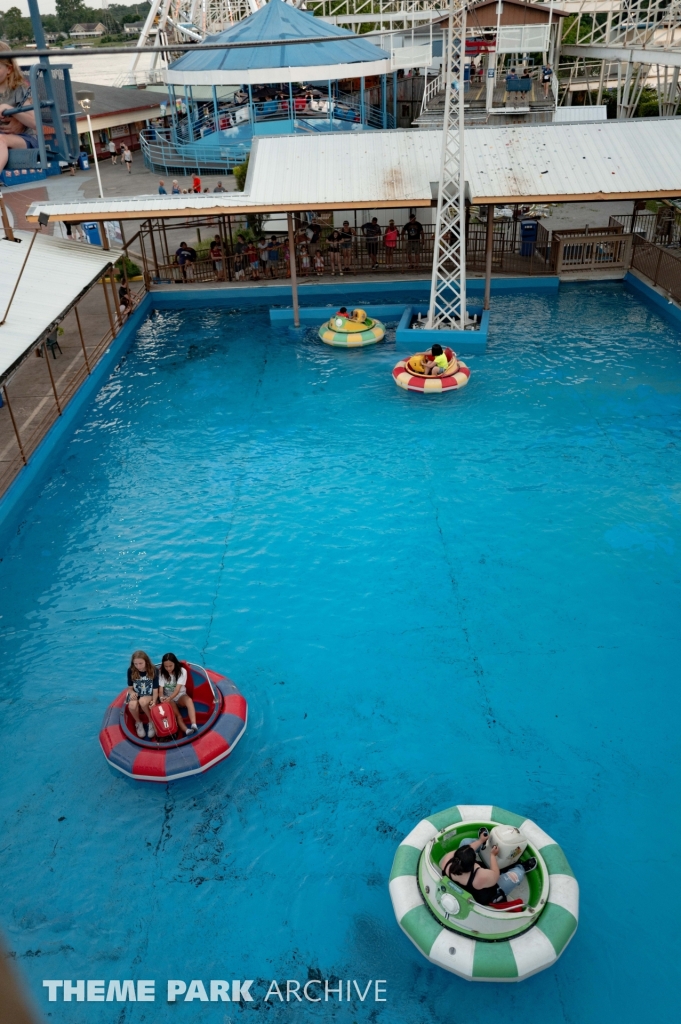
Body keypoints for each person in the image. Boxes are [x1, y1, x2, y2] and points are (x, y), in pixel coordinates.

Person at [439, 829, 537, 906]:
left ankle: (483, 843)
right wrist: (492, 856)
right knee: (516, 875)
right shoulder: (480, 877)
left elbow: (467, 849)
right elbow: (495, 874)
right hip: (482, 892)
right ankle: (522, 867)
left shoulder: (447, 860)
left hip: (461, 879)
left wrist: (481, 840)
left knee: (465, 842)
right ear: (473, 863)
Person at [0, 42, 38, 173]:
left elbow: (35, 122)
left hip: (23, 139)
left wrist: (10, 110)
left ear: (9, 69)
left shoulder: (18, 89)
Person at [158, 652, 198, 736]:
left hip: (180, 695)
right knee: (177, 715)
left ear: (175, 664)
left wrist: (169, 697)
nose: (168, 668)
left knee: (189, 701)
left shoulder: (182, 671)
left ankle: (194, 724)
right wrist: (162, 698)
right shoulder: (161, 673)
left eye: (170, 666)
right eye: (166, 666)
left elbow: (177, 689)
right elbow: (161, 691)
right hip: (169, 698)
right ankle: (186, 730)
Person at [126, 650, 159, 739]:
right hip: (137, 693)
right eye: (135, 664)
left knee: (143, 701)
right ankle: (138, 722)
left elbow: (156, 690)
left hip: (149, 693)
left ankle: (151, 721)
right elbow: (130, 688)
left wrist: (154, 701)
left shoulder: (153, 670)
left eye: (140, 663)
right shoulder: (131, 670)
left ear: (146, 661)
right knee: (132, 706)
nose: (138, 666)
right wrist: (132, 693)